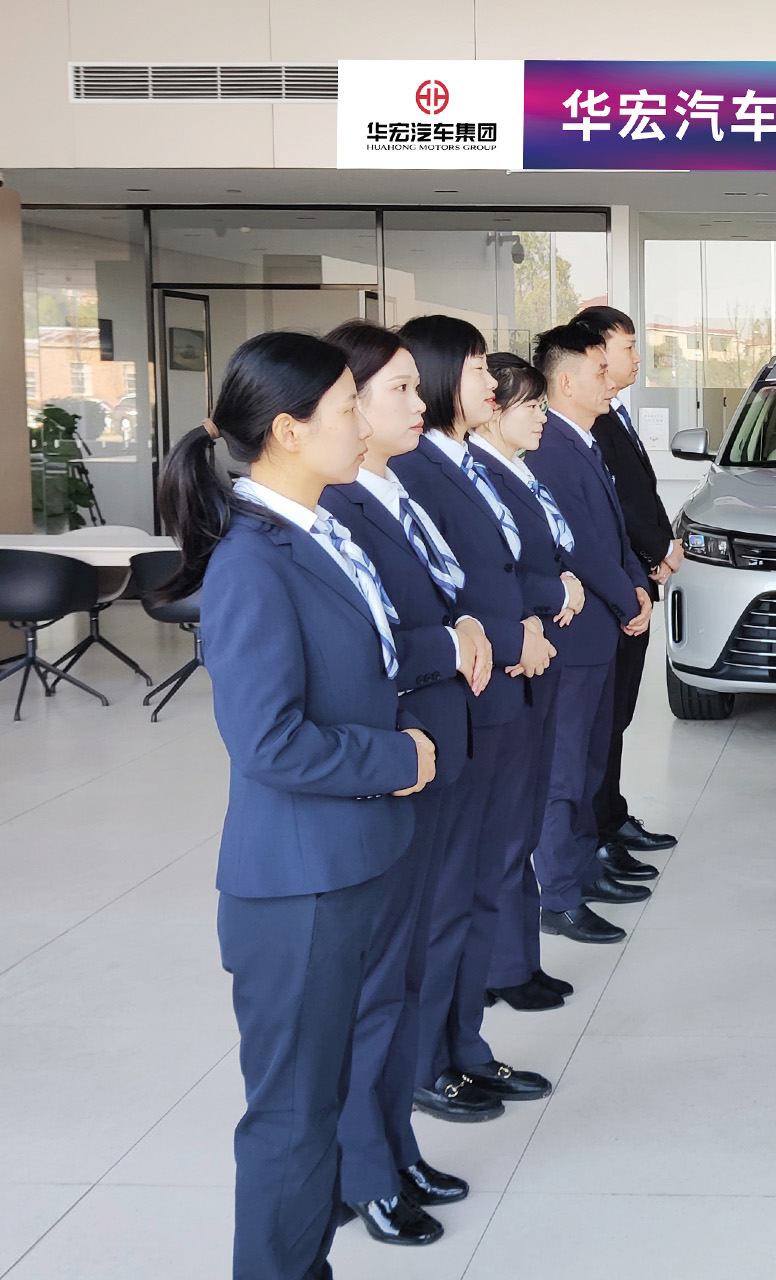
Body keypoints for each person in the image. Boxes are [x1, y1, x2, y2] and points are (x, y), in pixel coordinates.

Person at [155, 331, 436, 1280]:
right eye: (349, 408)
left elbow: (368, 666)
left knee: (323, 1101)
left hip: (354, 857)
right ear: (286, 429)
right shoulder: (252, 561)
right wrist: (396, 756)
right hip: (299, 888)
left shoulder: (320, 529)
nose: (364, 424)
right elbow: (267, 741)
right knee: (294, 1118)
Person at [318, 320, 487, 1246]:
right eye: (398, 390)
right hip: (395, 761)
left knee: (410, 970)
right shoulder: (337, 510)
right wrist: (450, 641)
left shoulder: (394, 488)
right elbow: (370, 644)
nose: (420, 403)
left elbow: (442, 596)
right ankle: (364, 1171)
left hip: (438, 750)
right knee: (377, 984)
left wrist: (463, 629)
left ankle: (396, 1144)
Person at [390, 315, 559, 1122]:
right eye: (478, 369)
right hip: (468, 699)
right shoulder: (416, 469)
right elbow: (438, 593)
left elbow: (493, 569)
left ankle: (465, 1046)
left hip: (497, 696)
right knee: (450, 896)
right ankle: (431, 1062)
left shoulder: (461, 462)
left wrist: (522, 620)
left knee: (481, 882)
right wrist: (512, 633)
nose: (492, 384)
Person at [526, 323, 655, 944]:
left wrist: (636, 582)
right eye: (600, 372)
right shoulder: (550, 446)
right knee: (565, 771)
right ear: (567, 381)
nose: (612, 382)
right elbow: (577, 543)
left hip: (602, 629)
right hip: (575, 636)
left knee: (589, 762)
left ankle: (584, 870)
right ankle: (558, 893)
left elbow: (615, 533)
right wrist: (628, 594)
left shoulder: (582, 439)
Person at [468, 351, 584, 1009]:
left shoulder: (518, 471)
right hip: (510, 660)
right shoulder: (478, 475)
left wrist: (560, 581)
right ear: (492, 412)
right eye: (531, 406)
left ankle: (517, 960)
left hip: (537, 654)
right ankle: (501, 967)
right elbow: (492, 573)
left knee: (525, 818)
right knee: (507, 826)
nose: (542, 417)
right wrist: (554, 590)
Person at [574, 304, 680, 878]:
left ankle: (612, 817)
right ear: (593, 353)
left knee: (616, 719)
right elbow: (610, 516)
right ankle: (596, 833)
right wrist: (658, 551)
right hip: (611, 594)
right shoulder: (582, 427)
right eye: (627, 347)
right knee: (601, 723)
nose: (637, 358)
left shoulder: (611, 414)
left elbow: (639, 495)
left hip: (632, 582)